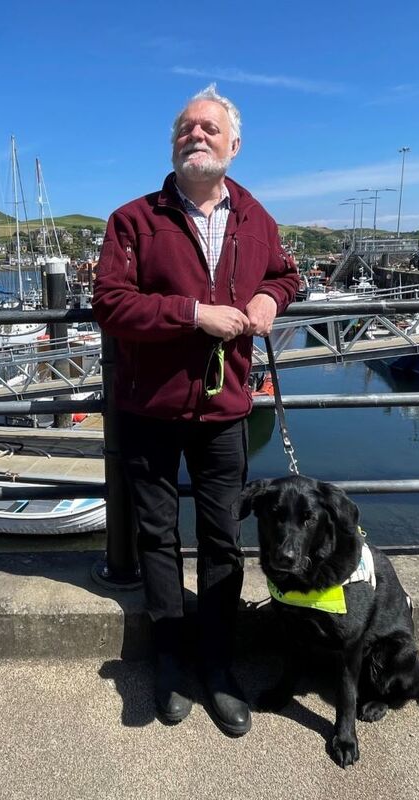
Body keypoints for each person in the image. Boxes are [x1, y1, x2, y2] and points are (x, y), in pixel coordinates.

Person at [92, 84, 299, 736]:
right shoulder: (133, 220)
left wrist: (270, 299)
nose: (196, 135)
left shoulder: (257, 218)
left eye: (209, 128)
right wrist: (192, 314)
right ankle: (170, 660)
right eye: (186, 128)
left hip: (226, 409)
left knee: (222, 540)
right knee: (155, 536)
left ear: (234, 145)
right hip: (148, 408)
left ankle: (218, 664)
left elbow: (289, 275)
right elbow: (111, 304)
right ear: (174, 144)